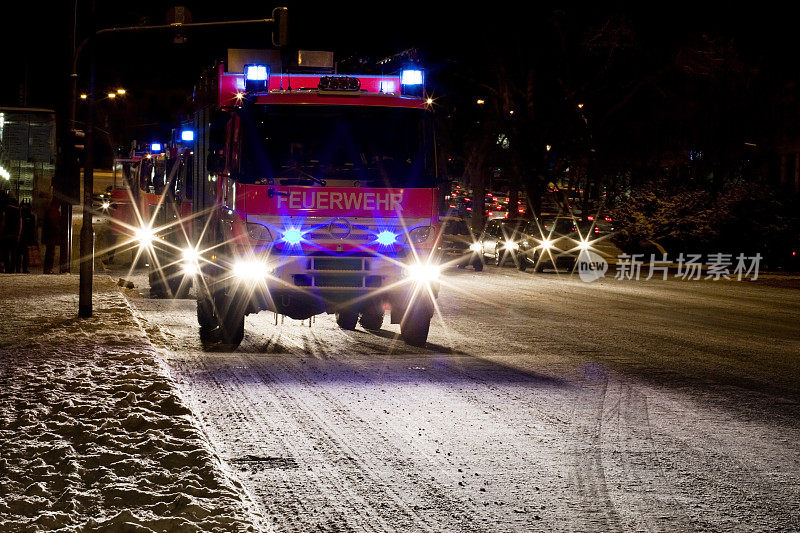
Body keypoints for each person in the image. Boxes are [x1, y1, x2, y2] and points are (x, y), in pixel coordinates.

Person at [1, 194, 21, 273]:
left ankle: (7, 268)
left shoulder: (6, 210)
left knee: (6, 253)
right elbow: (20, 223)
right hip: (15, 234)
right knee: (14, 253)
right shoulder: (18, 211)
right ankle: (12, 269)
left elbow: (3, 222)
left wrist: (1, 233)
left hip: (7, 233)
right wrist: (19, 234)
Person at [18, 200, 37, 273]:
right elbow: (33, 228)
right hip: (27, 237)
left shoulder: (20, 215)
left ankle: (18, 268)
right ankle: (24, 269)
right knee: (25, 254)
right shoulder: (31, 216)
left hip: (21, 237)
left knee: (19, 254)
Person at [42, 200, 61, 274]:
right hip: (51, 235)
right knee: (50, 253)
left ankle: (47, 268)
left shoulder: (49, 211)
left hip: (49, 235)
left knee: (49, 252)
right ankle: (48, 269)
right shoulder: (53, 212)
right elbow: (55, 224)